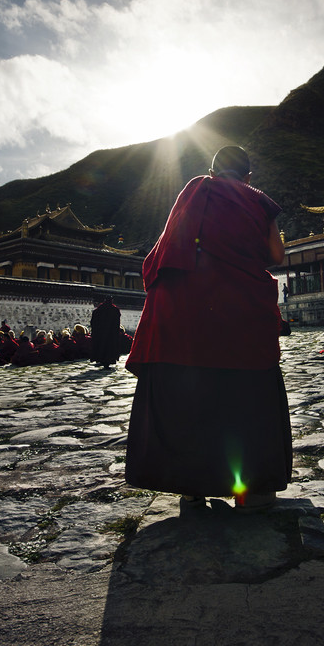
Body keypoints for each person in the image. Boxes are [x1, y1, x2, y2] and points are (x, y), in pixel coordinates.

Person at [125, 146, 292, 510]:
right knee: (248, 395)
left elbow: (167, 248)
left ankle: (191, 485)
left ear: (214, 172)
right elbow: (277, 256)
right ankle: (254, 486)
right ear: (248, 177)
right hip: (241, 311)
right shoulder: (258, 200)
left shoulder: (197, 190)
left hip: (189, 314)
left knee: (190, 393)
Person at [91, 297, 122, 368]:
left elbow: (93, 322)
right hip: (111, 334)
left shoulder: (99, 310)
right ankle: (109, 360)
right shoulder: (115, 310)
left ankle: (101, 359)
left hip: (100, 333)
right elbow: (117, 323)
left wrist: (95, 331)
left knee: (101, 347)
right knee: (110, 348)